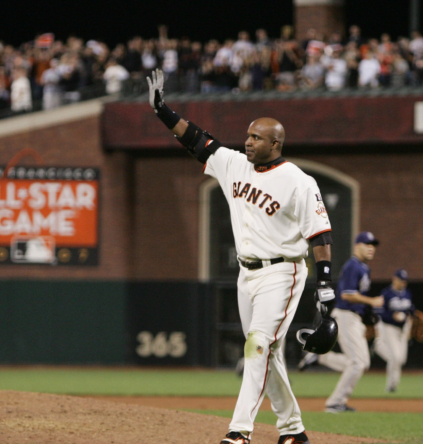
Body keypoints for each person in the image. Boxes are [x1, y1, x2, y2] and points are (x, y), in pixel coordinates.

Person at [146, 68, 335, 444]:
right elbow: (197, 141)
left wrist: (325, 283)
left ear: (275, 144)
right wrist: (163, 111)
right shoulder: (234, 165)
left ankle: (239, 431)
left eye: (256, 137)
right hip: (246, 274)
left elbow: (320, 233)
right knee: (267, 352)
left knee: (258, 345)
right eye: (248, 135)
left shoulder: (298, 181)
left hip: (284, 272)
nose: (248, 142)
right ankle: (293, 431)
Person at [298, 231, 384, 413]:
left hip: (354, 318)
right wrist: (372, 302)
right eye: (366, 244)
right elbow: (346, 294)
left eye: (373, 245)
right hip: (346, 316)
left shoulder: (363, 267)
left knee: (362, 362)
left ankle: (321, 357)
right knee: (358, 363)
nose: (371, 248)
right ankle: (335, 403)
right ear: (356, 246)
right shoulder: (353, 266)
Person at [373, 269, 415, 393]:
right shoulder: (386, 293)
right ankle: (392, 385)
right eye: (401, 280)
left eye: (405, 280)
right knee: (395, 357)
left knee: (401, 359)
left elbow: (411, 310)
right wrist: (392, 316)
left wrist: (409, 322)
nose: (403, 283)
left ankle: (378, 347)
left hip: (403, 329)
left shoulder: (407, 293)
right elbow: (379, 312)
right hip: (389, 327)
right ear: (394, 279)